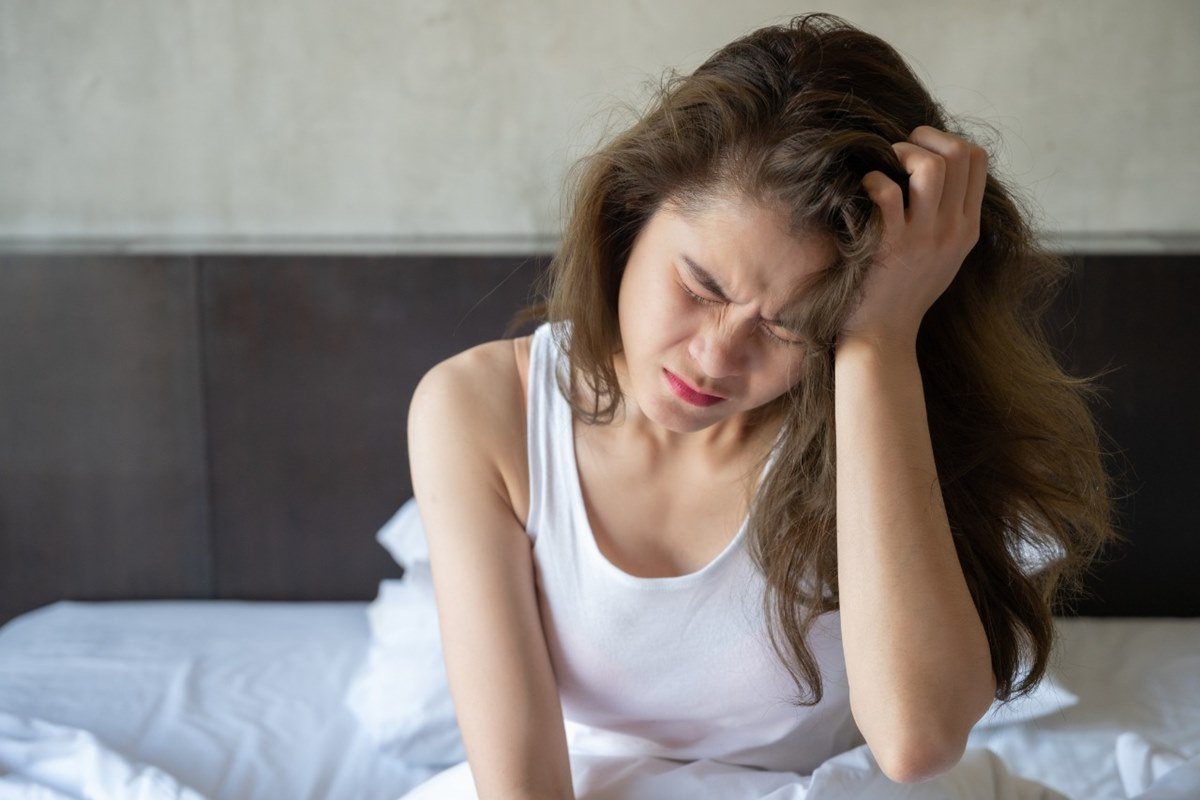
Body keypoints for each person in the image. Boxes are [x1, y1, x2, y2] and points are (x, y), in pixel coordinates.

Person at [402, 12, 1118, 799]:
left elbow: (918, 741)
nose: (714, 358)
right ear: (631, 216)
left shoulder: (881, 411)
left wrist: (878, 342)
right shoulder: (481, 408)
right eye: (700, 288)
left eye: (787, 327)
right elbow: (524, 787)